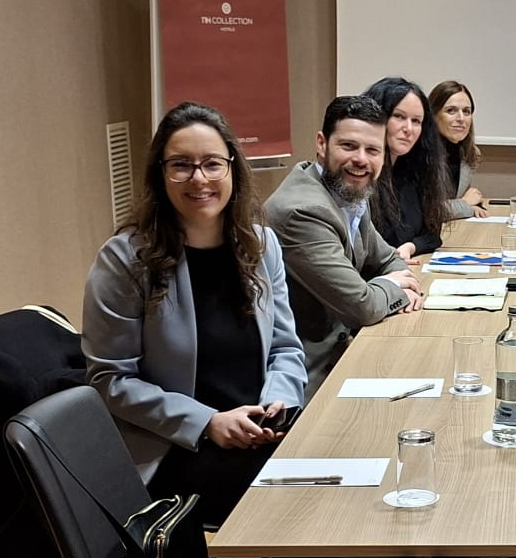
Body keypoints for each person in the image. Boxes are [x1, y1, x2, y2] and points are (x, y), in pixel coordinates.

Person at [82, 102, 306, 526]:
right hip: (177, 448)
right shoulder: (126, 260)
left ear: (233, 169)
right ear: (160, 174)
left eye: (212, 164)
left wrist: (276, 406)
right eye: (181, 165)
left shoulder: (261, 245)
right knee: (300, 511)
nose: (199, 178)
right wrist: (208, 422)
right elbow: (110, 380)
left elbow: (285, 348)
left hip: (260, 435)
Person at [266, 95, 425, 398]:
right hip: (306, 377)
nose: (361, 159)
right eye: (349, 146)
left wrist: (392, 283)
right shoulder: (303, 210)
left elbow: (389, 260)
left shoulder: (349, 192)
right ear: (322, 144)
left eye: (372, 150)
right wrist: (394, 287)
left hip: (346, 352)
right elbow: (361, 307)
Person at [363, 76, 455, 260]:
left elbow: (432, 234)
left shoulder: (413, 171)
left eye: (416, 121)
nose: (408, 129)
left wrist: (411, 247)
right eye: (399, 116)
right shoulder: (359, 176)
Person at [429, 79, 490, 219]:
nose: (461, 118)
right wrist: (466, 204)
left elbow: (454, 202)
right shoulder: (418, 155)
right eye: (451, 111)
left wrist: (469, 206)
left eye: (467, 112)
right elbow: (428, 212)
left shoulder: (471, 153)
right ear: (433, 115)